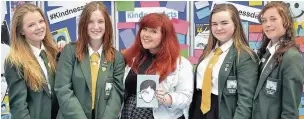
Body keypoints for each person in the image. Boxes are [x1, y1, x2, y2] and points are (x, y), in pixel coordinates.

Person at [54, 2, 125, 119]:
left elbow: (116, 96)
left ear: (107, 24)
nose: (96, 27)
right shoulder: (70, 52)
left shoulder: (117, 58)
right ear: (83, 24)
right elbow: (63, 89)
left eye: (100, 21)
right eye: (90, 22)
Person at [189, 3, 259, 119]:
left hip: (221, 111)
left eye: (224, 23)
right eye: (214, 24)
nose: (218, 28)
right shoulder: (208, 50)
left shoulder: (245, 56)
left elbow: (245, 101)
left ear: (235, 24)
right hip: (199, 108)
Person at [120, 13, 193, 119]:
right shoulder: (133, 58)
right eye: (144, 29)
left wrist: (166, 98)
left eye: (153, 31)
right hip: (128, 114)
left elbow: (186, 98)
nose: (146, 35)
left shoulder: (182, 64)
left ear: (165, 36)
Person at [4, 4, 64, 119]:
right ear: (21, 30)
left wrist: (64, 55)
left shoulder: (54, 52)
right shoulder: (15, 61)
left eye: (41, 21)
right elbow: (19, 107)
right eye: (31, 25)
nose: (39, 27)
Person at [252, 2, 304, 119]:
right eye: (264, 20)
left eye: (273, 19)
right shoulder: (266, 53)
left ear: (286, 22)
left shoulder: (291, 57)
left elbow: (290, 112)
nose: (267, 24)